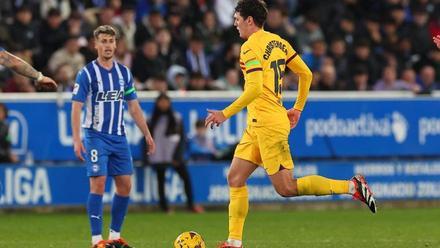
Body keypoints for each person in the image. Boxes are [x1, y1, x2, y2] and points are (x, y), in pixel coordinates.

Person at [204, 1, 377, 247]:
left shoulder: (249, 47)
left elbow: (253, 89)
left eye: (237, 18)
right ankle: (234, 242)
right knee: (235, 178)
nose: (235, 23)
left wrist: (225, 113)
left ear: (249, 20)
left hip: (268, 125)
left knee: (286, 188)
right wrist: (297, 108)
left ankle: (352, 186)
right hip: (259, 124)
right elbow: (306, 74)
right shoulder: (278, 42)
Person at [71, 25, 155, 248]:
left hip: (119, 137)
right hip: (95, 135)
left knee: (125, 185)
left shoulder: (124, 73)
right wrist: (77, 139)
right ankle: (96, 240)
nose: (108, 45)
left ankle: (115, 236)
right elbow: (76, 107)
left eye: (111, 41)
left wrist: (146, 133)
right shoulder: (87, 73)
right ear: (95, 45)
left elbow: (134, 107)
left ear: (116, 44)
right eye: (103, 41)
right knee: (98, 184)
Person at [147, 93, 203, 213]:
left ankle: (190, 204)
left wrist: (178, 155)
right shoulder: (151, 120)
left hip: (173, 155)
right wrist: (147, 155)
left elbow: (182, 138)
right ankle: (164, 207)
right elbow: (146, 139)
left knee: (186, 178)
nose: (163, 104)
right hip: (158, 155)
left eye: (165, 101)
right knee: (161, 181)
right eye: (161, 101)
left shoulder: (176, 118)